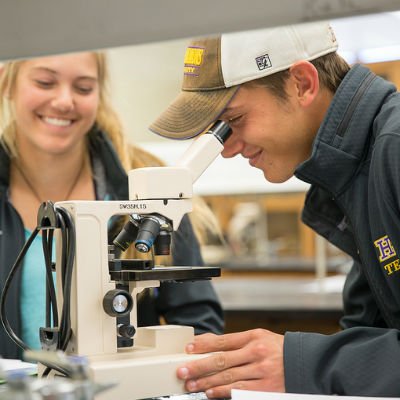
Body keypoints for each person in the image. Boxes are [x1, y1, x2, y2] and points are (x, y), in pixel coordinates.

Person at [149, 21, 400, 397]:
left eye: (233, 121)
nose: (229, 148)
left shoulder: (393, 150)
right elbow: (374, 333)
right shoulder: (355, 174)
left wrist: (305, 363)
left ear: (301, 83)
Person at [0, 51, 224, 359]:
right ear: (7, 85)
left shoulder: (148, 187)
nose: (65, 101)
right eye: (45, 82)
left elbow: (198, 325)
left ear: (99, 94)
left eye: (83, 88)